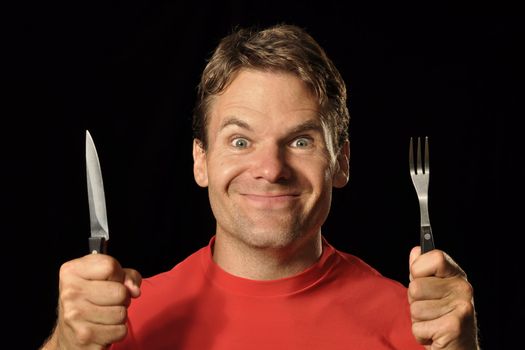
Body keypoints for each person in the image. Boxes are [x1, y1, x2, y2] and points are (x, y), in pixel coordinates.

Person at [41, 24, 479, 350]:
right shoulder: (121, 319)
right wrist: (64, 344)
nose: (270, 169)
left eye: (301, 140)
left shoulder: (418, 322)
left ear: (340, 163)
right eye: (240, 140)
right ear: (201, 161)